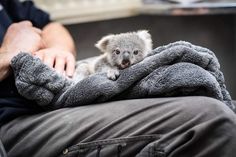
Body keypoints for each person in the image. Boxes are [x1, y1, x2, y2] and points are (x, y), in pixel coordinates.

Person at [1, 0, 236, 157]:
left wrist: (58, 50)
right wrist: (10, 54)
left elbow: (50, 25)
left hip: (53, 96)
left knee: (191, 82)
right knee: (213, 119)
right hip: (14, 121)